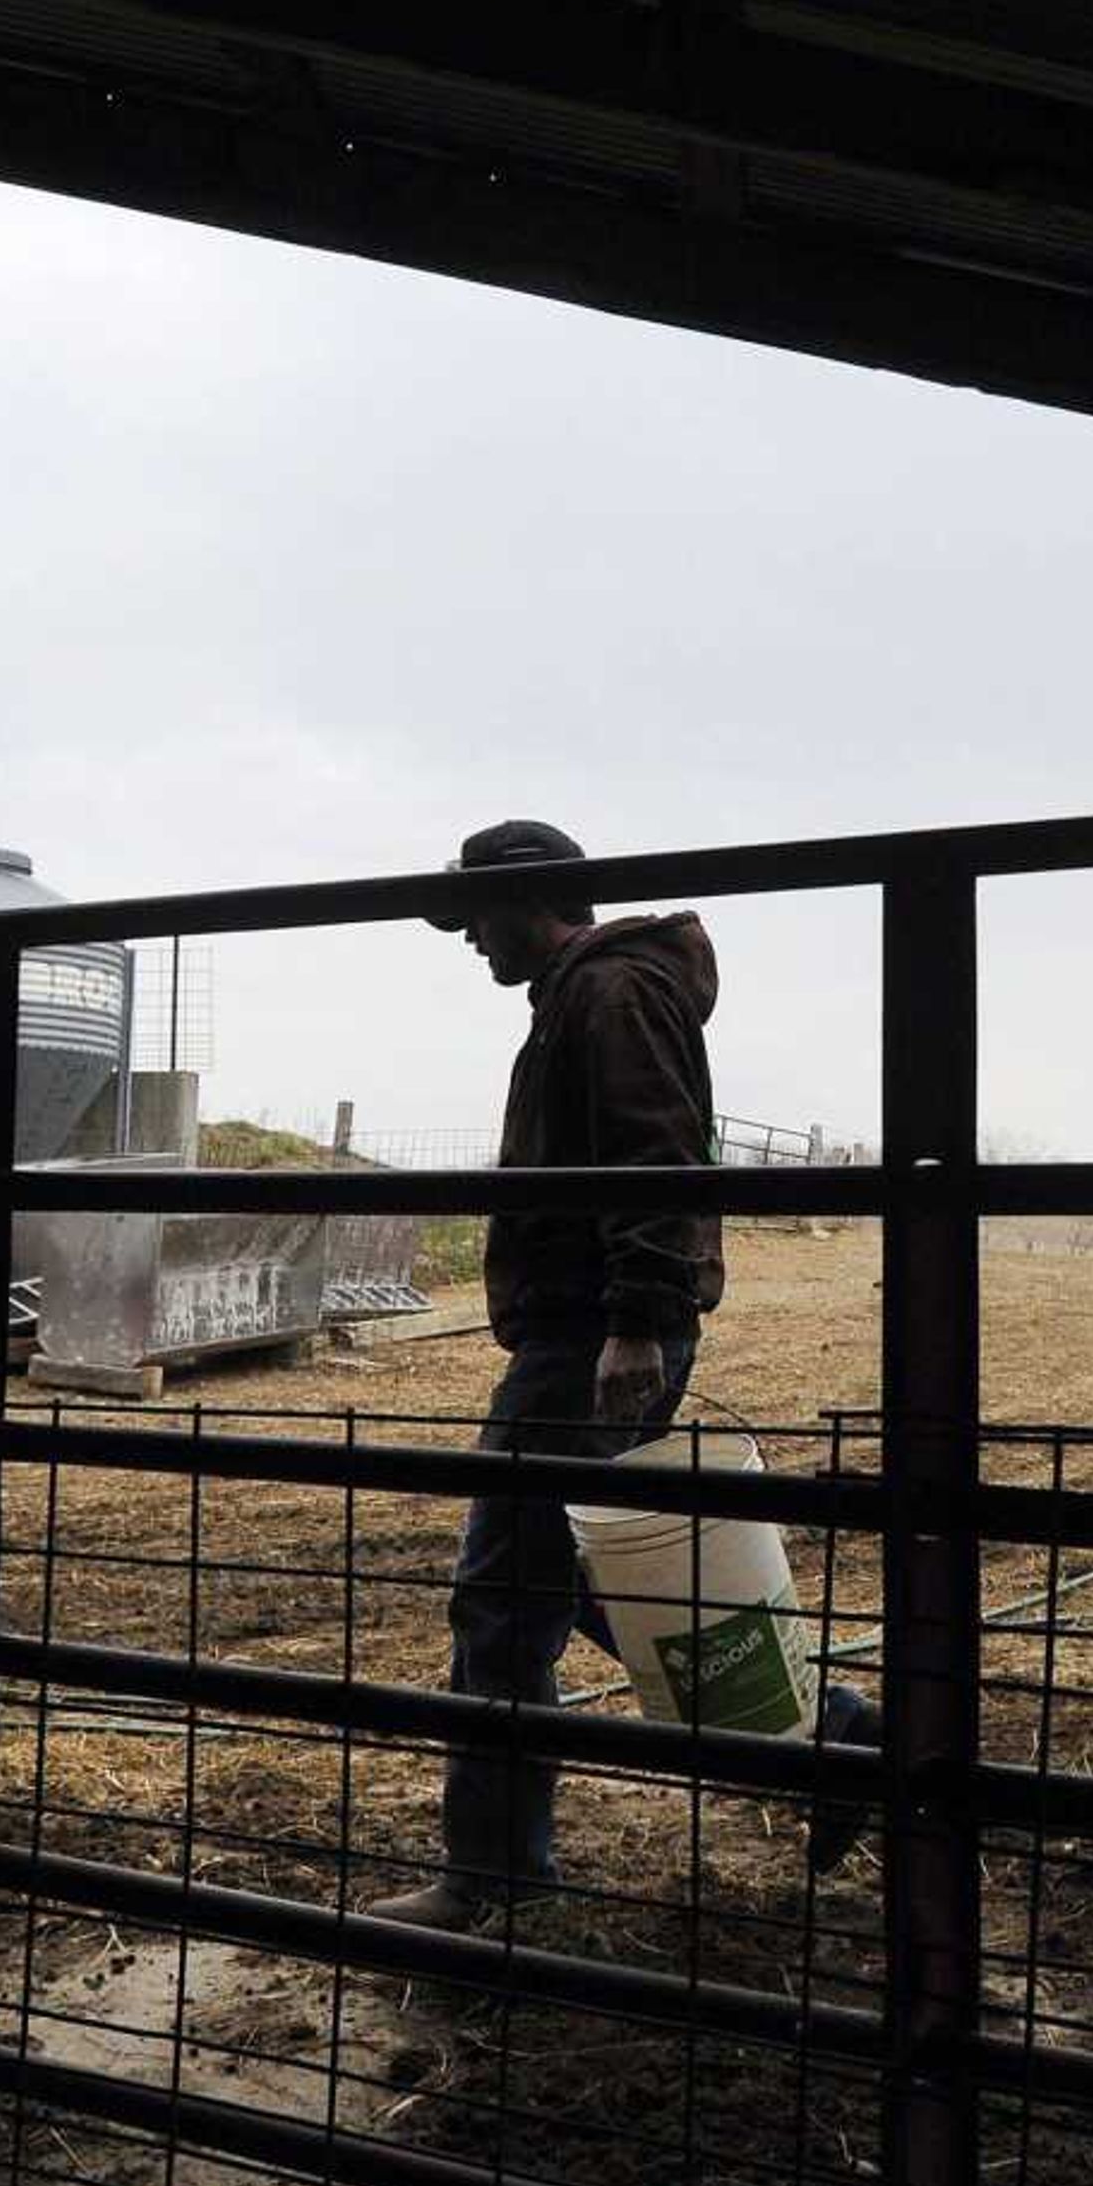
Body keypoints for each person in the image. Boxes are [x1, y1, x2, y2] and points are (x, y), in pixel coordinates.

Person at [368, 819, 883, 1932]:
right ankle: (830, 1737)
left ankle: (492, 1871)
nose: (468, 943)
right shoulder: (587, 994)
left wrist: (637, 1320)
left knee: (502, 1600)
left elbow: (656, 1153)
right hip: (587, 1327)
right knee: (587, 1586)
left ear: (529, 901)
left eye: (476, 918)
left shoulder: (607, 997)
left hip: (590, 1334)